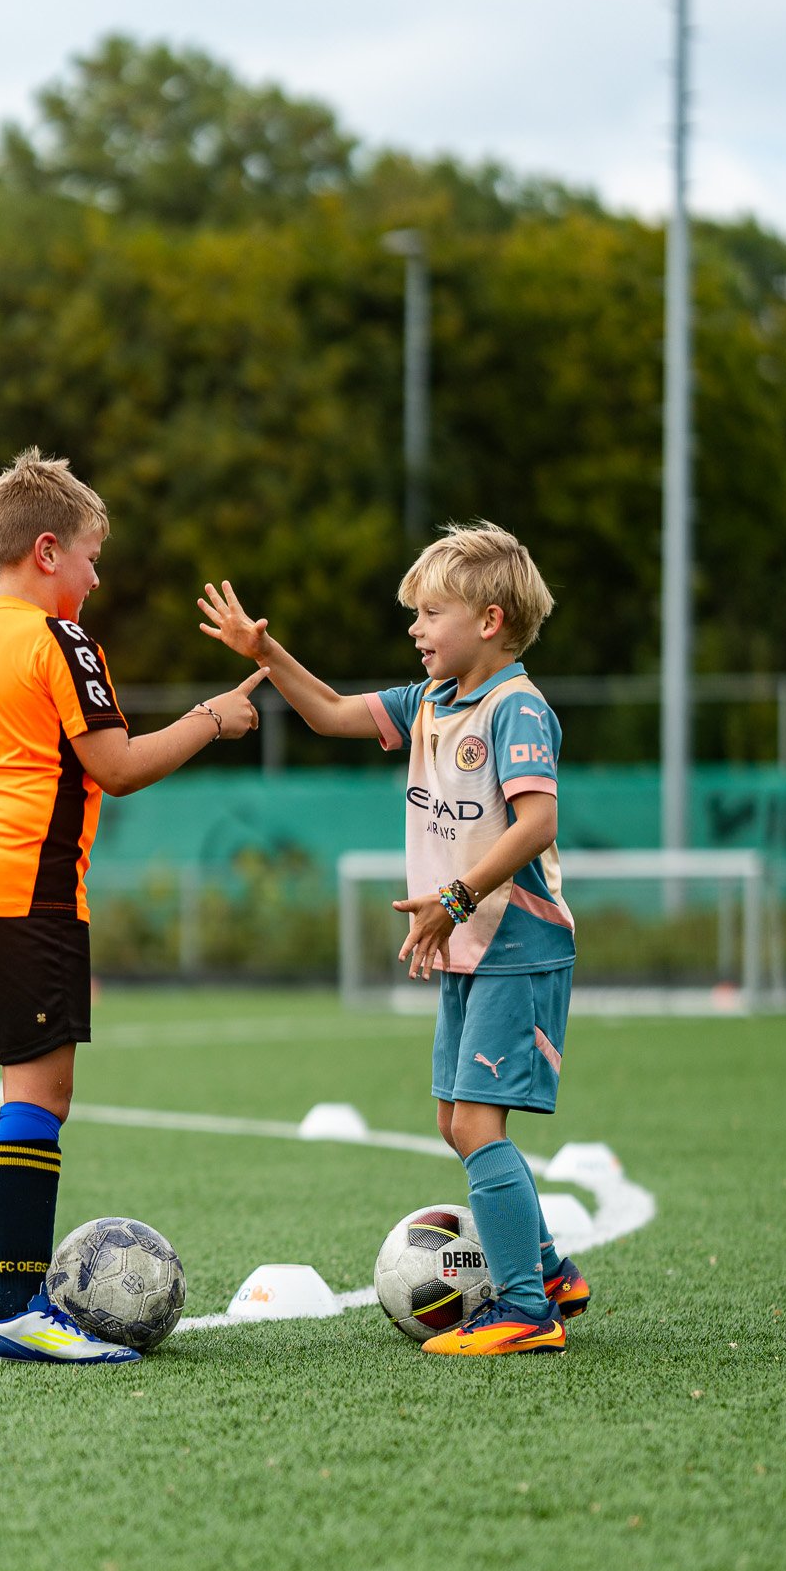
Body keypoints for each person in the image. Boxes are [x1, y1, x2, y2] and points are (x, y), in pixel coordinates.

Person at [0, 446, 265, 1364]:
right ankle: (21, 1309)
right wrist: (210, 720)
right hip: (27, 891)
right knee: (40, 1092)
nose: (98, 577)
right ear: (49, 550)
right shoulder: (59, 641)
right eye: (94, 556)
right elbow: (116, 767)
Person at [198, 521, 590, 1356]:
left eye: (430, 612)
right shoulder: (432, 703)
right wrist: (265, 654)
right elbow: (333, 712)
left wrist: (453, 895)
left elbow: (537, 822)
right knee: (455, 1122)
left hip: (514, 945)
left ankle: (526, 1310)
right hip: (466, 943)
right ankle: (551, 1269)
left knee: (479, 1128)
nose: (415, 628)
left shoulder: (517, 707)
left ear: (487, 621)